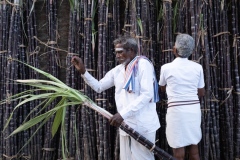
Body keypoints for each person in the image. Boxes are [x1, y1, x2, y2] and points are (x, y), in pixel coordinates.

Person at [71, 35, 160, 160]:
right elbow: (99, 86)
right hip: (125, 124)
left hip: (142, 124)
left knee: (143, 158)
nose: (117, 55)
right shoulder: (117, 70)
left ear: (132, 51)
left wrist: (123, 114)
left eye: (120, 52)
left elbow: (147, 94)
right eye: (116, 52)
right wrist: (83, 72)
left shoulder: (143, 64)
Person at [158, 34, 205, 160]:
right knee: (194, 151)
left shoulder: (166, 68)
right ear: (191, 51)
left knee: (178, 152)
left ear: (175, 50)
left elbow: (161, 87)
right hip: (193, 110)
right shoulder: (198, 67)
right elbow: (201, 92)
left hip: (176, 111)